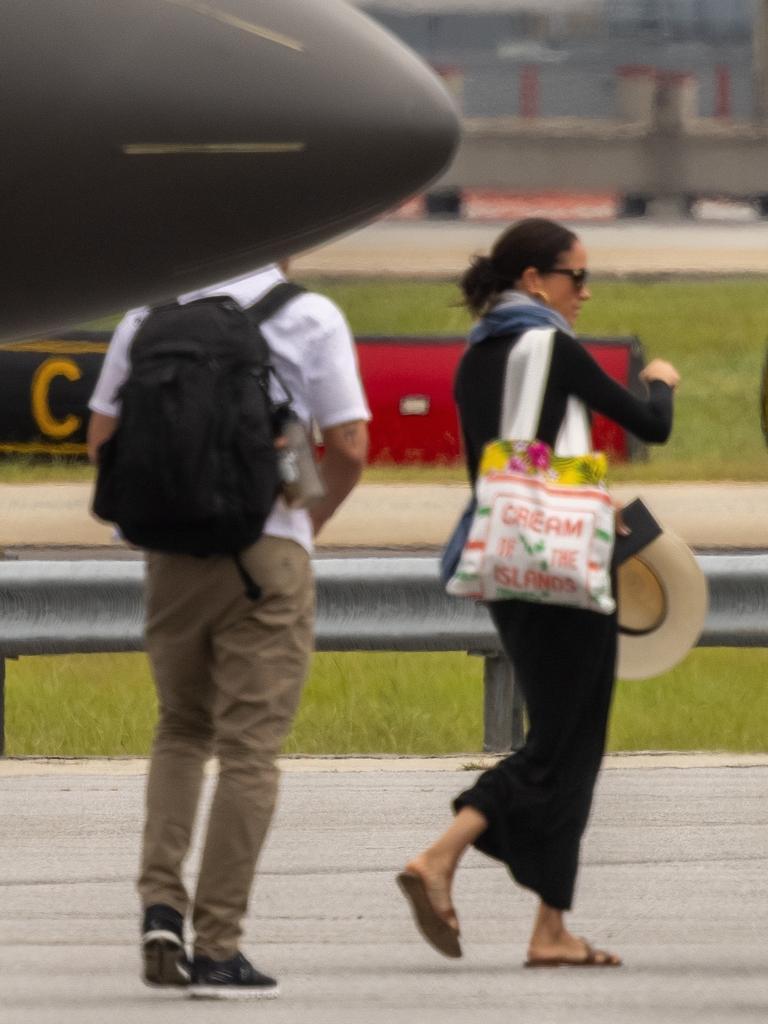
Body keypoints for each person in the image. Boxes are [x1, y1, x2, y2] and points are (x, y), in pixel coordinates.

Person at [397, 218, 679, 968]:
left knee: (571, 742)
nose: (584, 292)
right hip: (567, 572)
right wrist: (661, 381)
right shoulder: (550, 345)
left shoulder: (476, 356)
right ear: (534, 280)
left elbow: (513, 466)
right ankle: (442, 855)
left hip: (506, 566)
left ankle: (552, 928)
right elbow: (649, 424)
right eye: (575, 277)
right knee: (564, 741)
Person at [87, 264, 370, 998]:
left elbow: (102, 439)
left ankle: (159, 908)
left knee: (180, 728)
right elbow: (349, 444)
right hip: (267, 551)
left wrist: (166, 513)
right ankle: (217, 946)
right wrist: (305, 524)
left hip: (172, 556)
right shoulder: (310, 316)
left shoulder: (147, 314)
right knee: (249, 749)